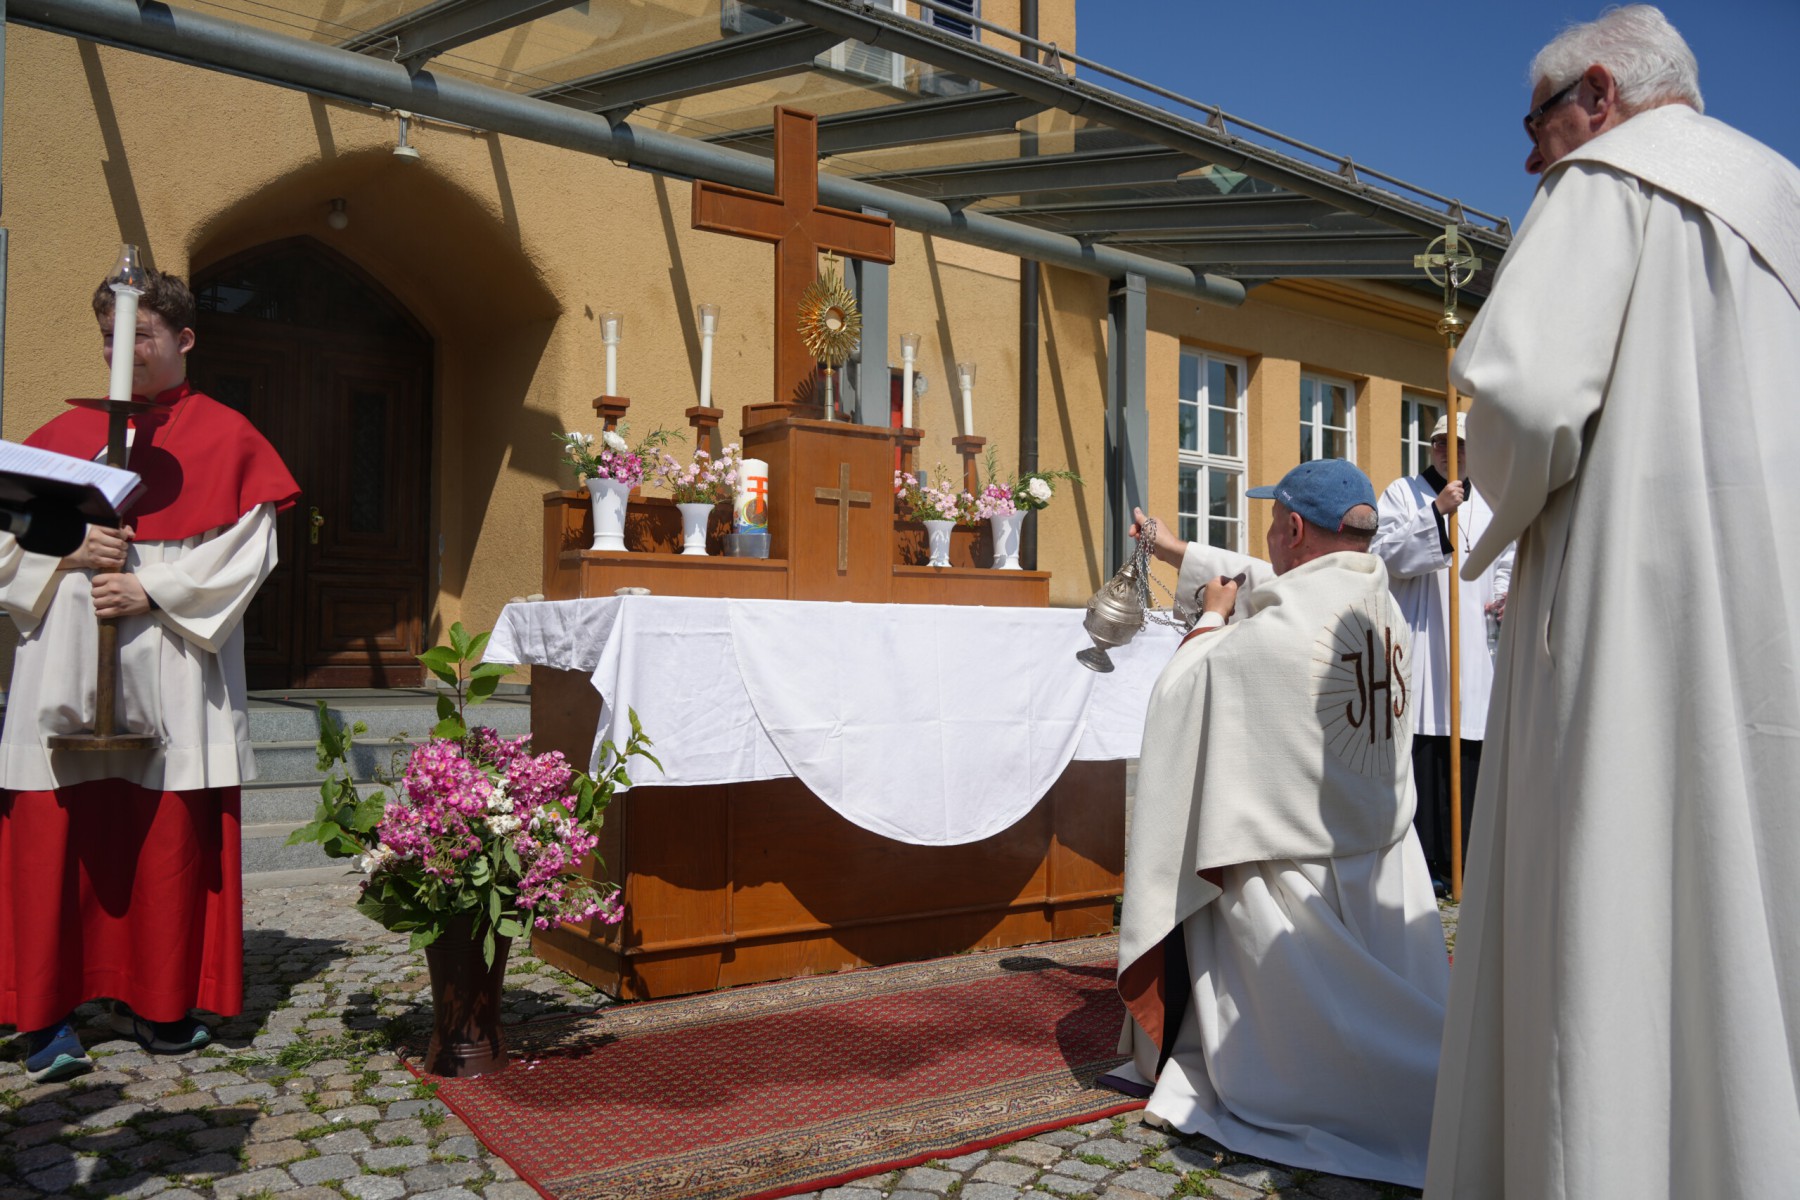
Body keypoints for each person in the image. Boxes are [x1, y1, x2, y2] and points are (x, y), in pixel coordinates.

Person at [1426, 7, 1800, 1196]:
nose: (1529, 153)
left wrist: (1498, 509)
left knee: (1617, 865)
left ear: (1597, 92)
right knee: (1755, 866)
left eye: (1535, 122)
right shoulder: (1783, 199)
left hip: (1632, 592)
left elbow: (1529, 400)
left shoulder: (1608, 178)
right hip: (1772, 597)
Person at [1107, 460, 1449, 1189]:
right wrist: (1173, 550)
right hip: (1377, 853)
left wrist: (1209, 619)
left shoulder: (1273, 636)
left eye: (1271, 523)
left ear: (1294, 527)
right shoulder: (1378, 599)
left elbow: (1180, 695)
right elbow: (1275, 581)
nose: (1266, 538)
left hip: (1293, 879)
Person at [0, 268, 299, 1082]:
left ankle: (158, 1005)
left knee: (164, 835)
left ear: (184, 339)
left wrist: (152, 588)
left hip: (171, 664)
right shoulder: (59, 437)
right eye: (109, 337)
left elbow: (248, 552)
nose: (119, 351)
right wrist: (65, 550)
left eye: (138, 336)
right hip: (62, 662)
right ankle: (45, 1017)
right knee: (53, 831)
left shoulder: (228, 438)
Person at [1370, 412, 1513, 893]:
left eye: (1460, 444)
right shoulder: (1403, 493)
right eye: (1440, 443)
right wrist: (1435, 512)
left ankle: (1465, 862)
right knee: (1423, 749)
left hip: (1472, 644)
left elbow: (1506, 559)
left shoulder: (1491, 499)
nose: (1449, 452)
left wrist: (1505, 594)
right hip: (1421, 635)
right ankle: (1425, 862)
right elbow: (1384, 555)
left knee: (1470, 747)